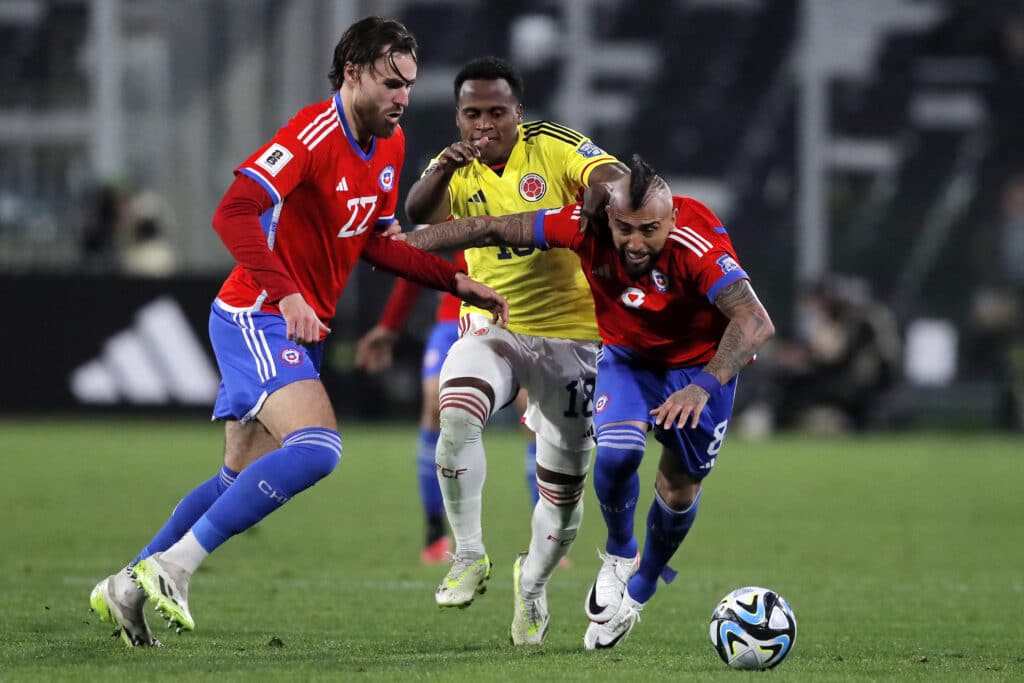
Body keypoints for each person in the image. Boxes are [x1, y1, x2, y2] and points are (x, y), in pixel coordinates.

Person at [88, 16, 508, 648]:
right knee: (318, 448)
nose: (403, 98)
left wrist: (454, 282)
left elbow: (372, 242)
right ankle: (170, 569)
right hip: (255, 313)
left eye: (410, 85)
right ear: (354, 72)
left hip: (280, 322)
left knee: (237, 476)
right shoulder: (312, 135)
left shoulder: (389, 146)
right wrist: (285, 293)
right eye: (392, 83)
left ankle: (123, 585)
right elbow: (233, 212)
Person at [398, 154, 775, 649]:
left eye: (650, 230)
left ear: (672, 220)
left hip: (701, 369)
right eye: (625, 229)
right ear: (608, 218)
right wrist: (396, 248)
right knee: (618, 454)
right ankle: (620, 555)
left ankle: (638, 591)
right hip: (629, 360)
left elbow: (755, 322)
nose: (636, 243)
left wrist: (702, 386)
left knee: (678, 488)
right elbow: (490, 227)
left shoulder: (696, 243)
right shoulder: (583, 226)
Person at [390, 55, 626, 646]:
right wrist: (443, 167)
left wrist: (600, 193)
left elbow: (610, 173)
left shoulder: (552, 146)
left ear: (518, 112)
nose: (484, 124)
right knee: (454, 413)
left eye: (497, 111)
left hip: (575, 339)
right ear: (459, 115)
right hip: (494, 327)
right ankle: (468, 554)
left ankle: (533, 585)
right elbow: (416, 215)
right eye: (472, 113)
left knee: (564, 497)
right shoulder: (454, 166)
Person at [355, 249, 538, 564]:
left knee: (534, 413)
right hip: (453, 319)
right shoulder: (449, 203)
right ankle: (434, 531)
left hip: (517, 316)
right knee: (435, 405)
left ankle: (545, 537)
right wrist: (390, 326)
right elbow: (414, 260)